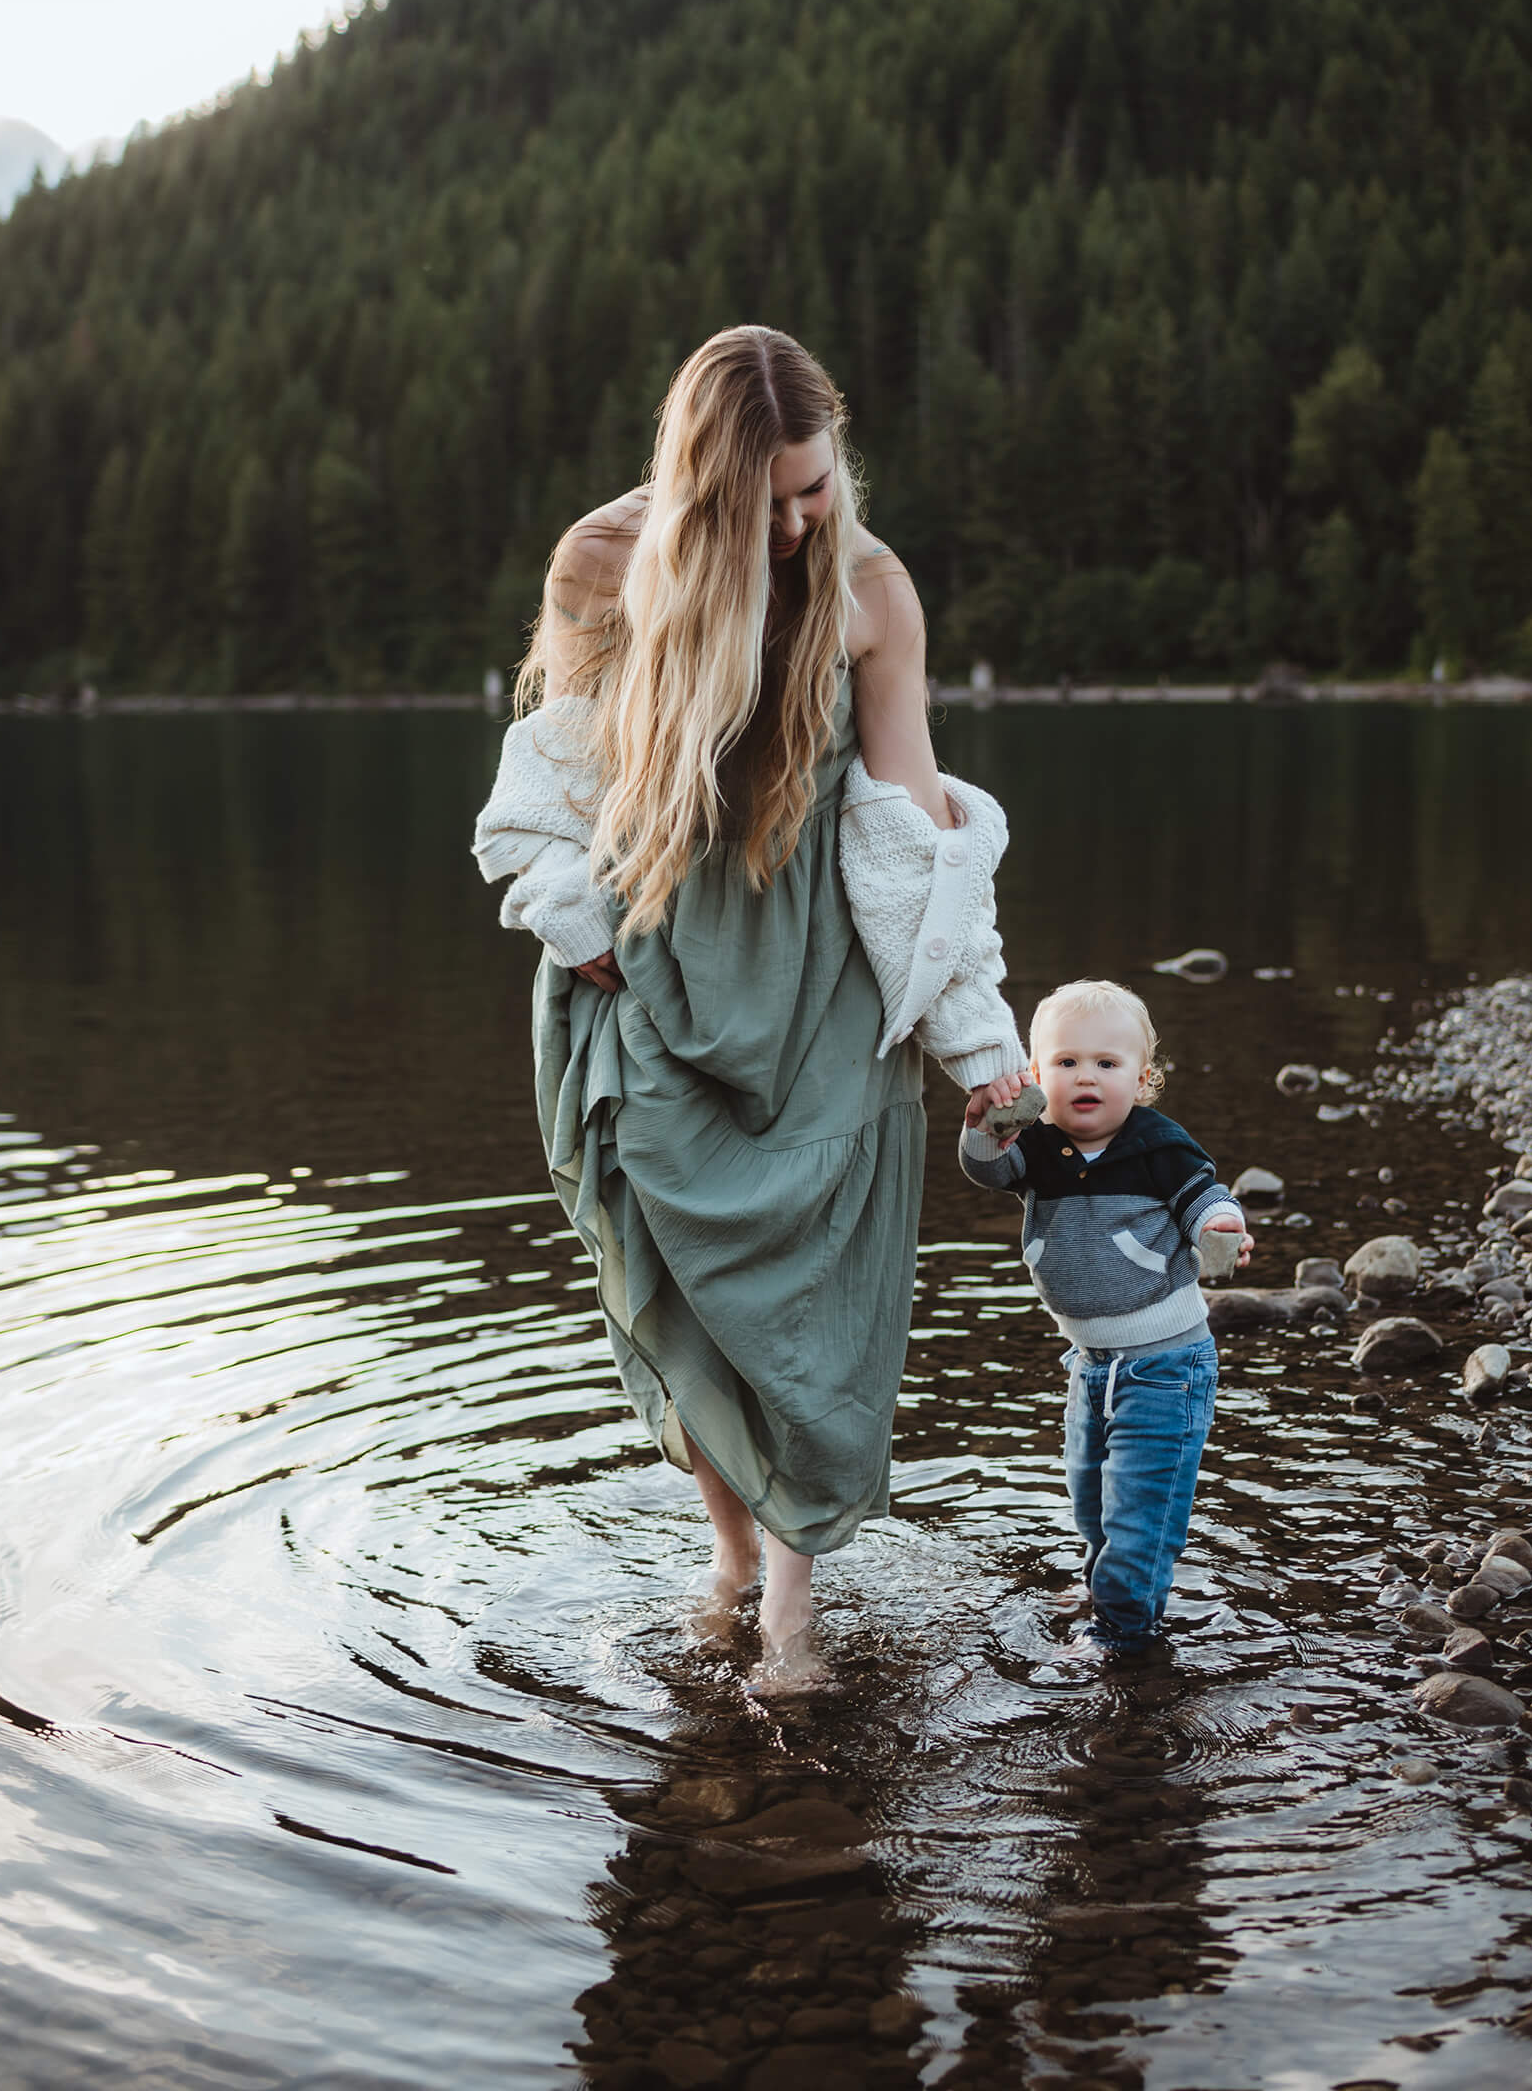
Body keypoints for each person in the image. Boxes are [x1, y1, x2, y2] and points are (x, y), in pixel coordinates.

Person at [473, 325, 1028, 1683]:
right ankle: (728, 1551)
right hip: (651, 969)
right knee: (676, 1279)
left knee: (820, 1295)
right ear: (700, 481)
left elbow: (914, 827)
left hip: (823, 973)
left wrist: (978, 1032)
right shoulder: (602, 566)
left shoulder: (872, 594)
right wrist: (568, 906)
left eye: (817, 486)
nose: (798, 521)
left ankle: (788, 1604)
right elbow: (545, 786)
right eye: (767, 499)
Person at [958, 979, 1251, 1657]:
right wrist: (983, 1124)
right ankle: (1102, 1588)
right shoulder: (1035, 1144)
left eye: (1105, 1064)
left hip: (1165, 1367)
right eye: (1065, 1063)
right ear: (1035, 1076)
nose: (1084, 1076)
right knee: (1090, 1500)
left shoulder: (1157, 1146)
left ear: (1141, 1078)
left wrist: (1221, 1224)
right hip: (1090, 1366)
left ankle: (1123, 1639)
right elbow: (986, 1172)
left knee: (1139, 1512)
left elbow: (1203, 1197)